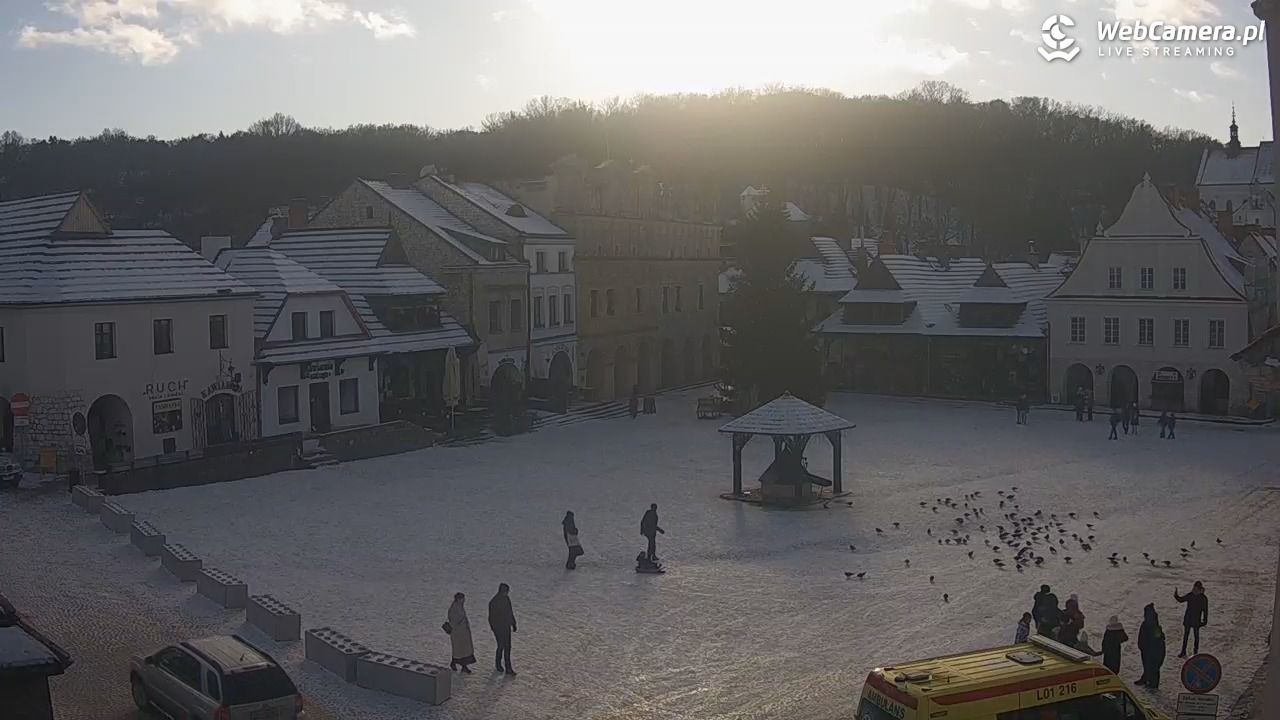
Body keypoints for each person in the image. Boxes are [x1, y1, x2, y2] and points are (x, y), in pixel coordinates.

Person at [487, 583, 517, 676]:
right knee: (501, 646)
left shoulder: (506, 599)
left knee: (507, 646)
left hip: (506, 626)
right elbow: (491, 618)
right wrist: (494, 628)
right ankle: (498, 663)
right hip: (499, 628)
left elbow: (510, 612)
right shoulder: (493, 602)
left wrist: (513, 623)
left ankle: (508, 668)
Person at [1175, 581, 1209, 658]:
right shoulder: (1190, 595)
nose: (1194, 589)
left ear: (1199, 589)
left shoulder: (1203, 598)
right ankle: (1183, 651)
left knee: (1196, 637)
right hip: (1188, 619)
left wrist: (1205, 621)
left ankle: (1195, 653)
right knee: (1186, 636)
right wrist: (1176, 595)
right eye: (1194, 587)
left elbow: (1205, 610)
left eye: (1195, 588)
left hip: (1196, 620)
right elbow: (1181, 600)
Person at [1136, 603, 1166, 689]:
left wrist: (1152, 650)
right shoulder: (1146, 624)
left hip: (1153, 651)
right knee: (1147, 665)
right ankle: (1145, 678)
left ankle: (1153, 684)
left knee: (1153, 667)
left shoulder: (1155, 626)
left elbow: (1158, 640)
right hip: (1146, 649)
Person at [445, 592, 475, 674]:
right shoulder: (453, 609)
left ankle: (463, 666)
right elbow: (454, 621)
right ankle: (455, 663)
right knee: (459, 650)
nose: (464, 600)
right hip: (458, 634)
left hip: (463, 633)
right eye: (462, 599)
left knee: (463, 650)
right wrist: (462, 623)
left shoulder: (460, 607)